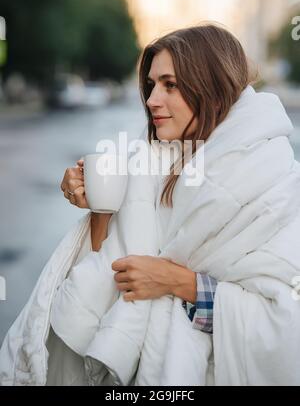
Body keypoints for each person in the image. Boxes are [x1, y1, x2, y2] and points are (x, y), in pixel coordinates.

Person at [1, 23, 300, 386]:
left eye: (170, 85)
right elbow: (111, 279)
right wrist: (101, 206)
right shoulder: (149, 164)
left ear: (214, 90)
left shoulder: (275, 180)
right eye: (151, 85)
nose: (152, 100)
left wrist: (183, 283)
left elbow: (286, 322)